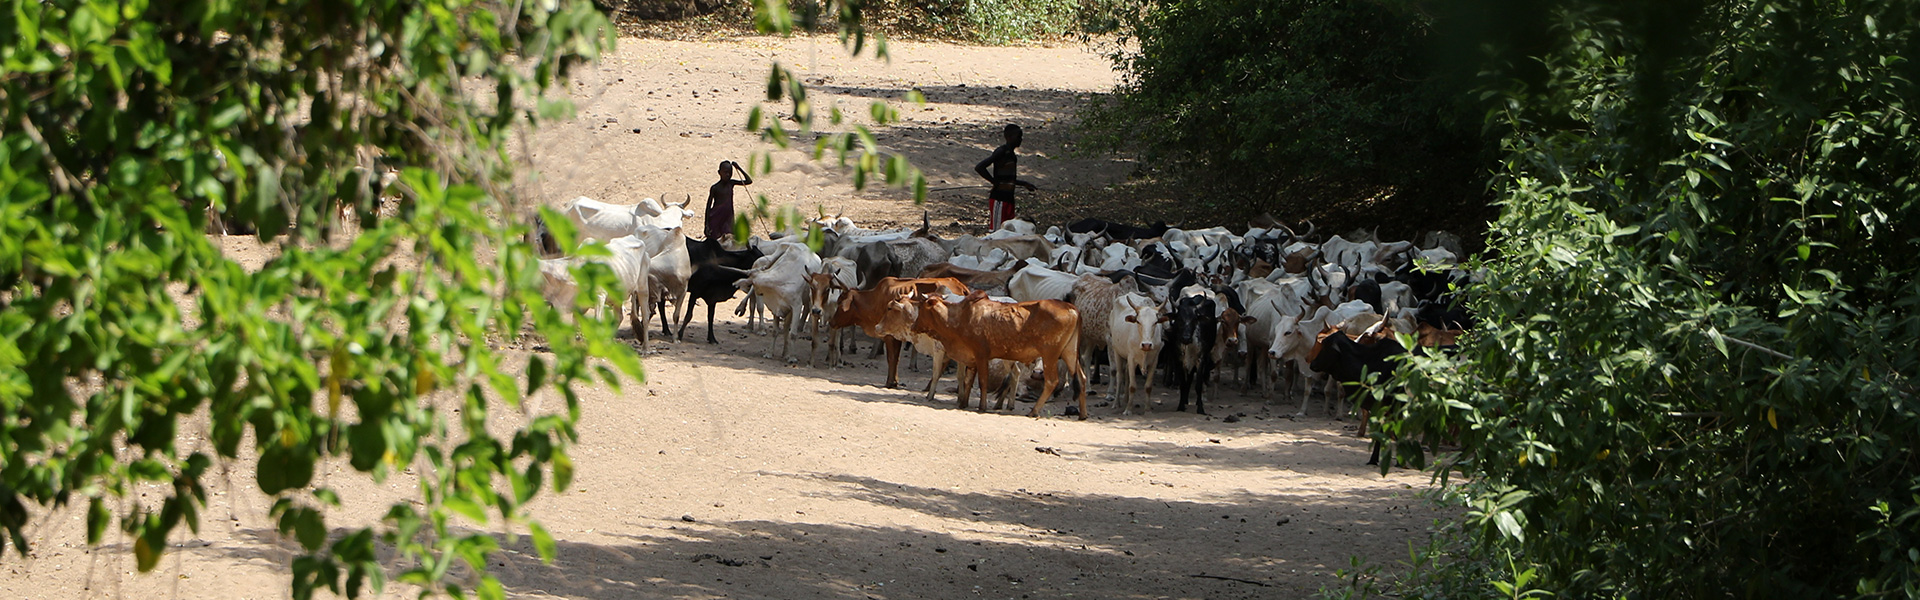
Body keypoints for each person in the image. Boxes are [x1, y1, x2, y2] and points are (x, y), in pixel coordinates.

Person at [974, 124, 1036, 230]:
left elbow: (1008, 179)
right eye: (1018, 137)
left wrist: (1024, 184)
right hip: (999, 199)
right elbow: (980, 167)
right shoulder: (1001, 151)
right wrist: (994, 182)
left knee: (1008, 231)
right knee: (997, 231)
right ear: (1009, 137)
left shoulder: (1011, 155)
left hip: (1009, 199)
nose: (1020, 140)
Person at [704, 160, 753, 243]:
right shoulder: (715, 188)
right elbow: (708, 207)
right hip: (716, 218)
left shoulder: (731, 183)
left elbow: (748, 181)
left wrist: (738, 168)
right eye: (725, 172)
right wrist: (706, 225)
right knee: (714, 241)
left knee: (729, 240)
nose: (728, 175)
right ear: (719, 172)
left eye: (730, 173)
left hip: (728, 218)